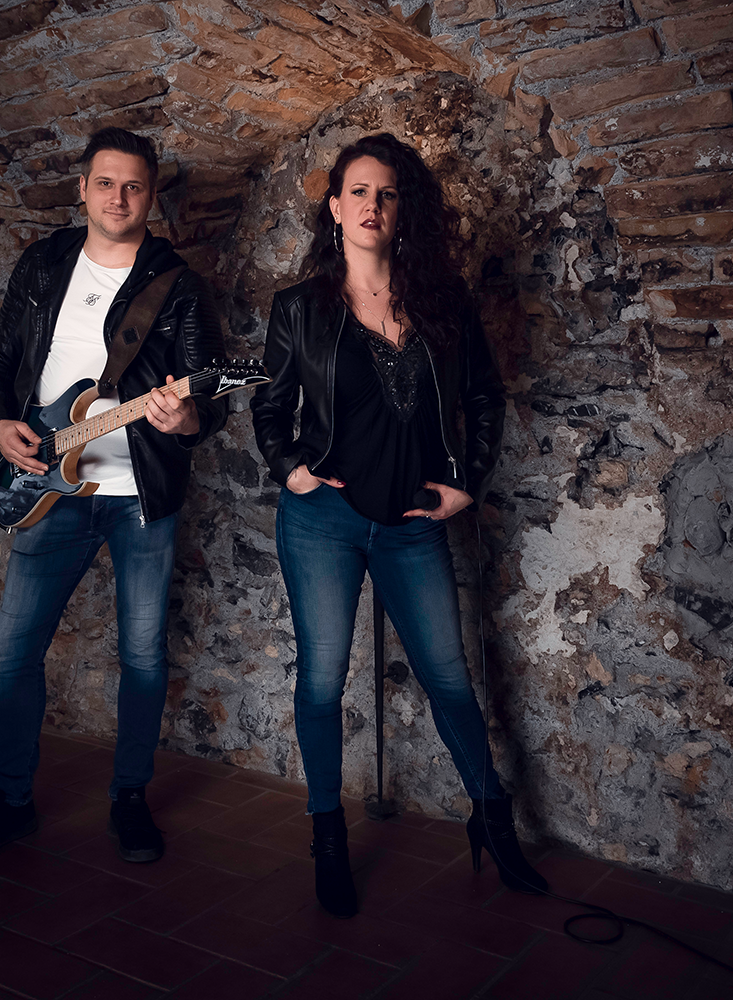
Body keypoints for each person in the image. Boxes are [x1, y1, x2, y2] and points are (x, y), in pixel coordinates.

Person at [250, 133, 547, 917]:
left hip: (414, 520)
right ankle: (327, 836)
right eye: (358, 191)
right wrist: (291, 469)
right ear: (334, 207)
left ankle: (492, 819)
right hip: (322, 520)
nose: (371, 205)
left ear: (402, 209)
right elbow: (270, 408)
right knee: (321, 681)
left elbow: (483, 398)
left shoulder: (443, 304)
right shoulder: (299, 309)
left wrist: (466, 483)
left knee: (448, 677)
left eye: (386, 193)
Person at [0, 127, 227, 866]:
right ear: (83, 188)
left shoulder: (178, 286)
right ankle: (10, 799)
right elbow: (0, 355)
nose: (118, 198)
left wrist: (187, 418)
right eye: (105, 183)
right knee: (14, 650)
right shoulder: (43, 263)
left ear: (151, 196)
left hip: (139, 496)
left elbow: (210, 401)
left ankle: (130, 797)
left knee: (143, 656)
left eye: (133, 186)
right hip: (47, 485)